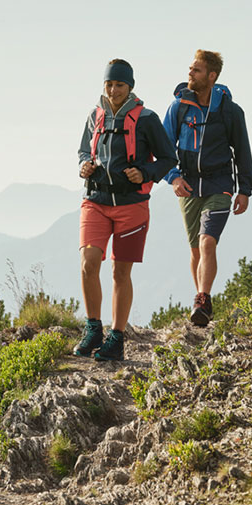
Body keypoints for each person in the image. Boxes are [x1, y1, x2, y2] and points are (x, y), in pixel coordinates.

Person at [76, 59, 176, 361]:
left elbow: (168, 159)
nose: (113, 89)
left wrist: (145, 173)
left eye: (119, 84)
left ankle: (116, 338)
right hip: (95, 199)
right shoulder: (94, 116)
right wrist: (84, 165)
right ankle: (94, 327)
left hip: (131, 205)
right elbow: (83, 149)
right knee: (88, 262)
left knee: (120, 272)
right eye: (109, 83)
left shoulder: (146, 119)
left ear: (130, 86)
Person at [161, 49, 252, 327]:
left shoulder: (230, 111)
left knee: (207, 241)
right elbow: (165, 148)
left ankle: (202, 297)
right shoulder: (179, 107)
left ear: (212, 76)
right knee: (196, 251)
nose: (190, 73)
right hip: (188, 185)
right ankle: (203, 304)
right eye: (190, 69)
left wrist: (245, 189)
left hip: (219, 184)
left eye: (197, 70)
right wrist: (173, 177)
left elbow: (242, 151)